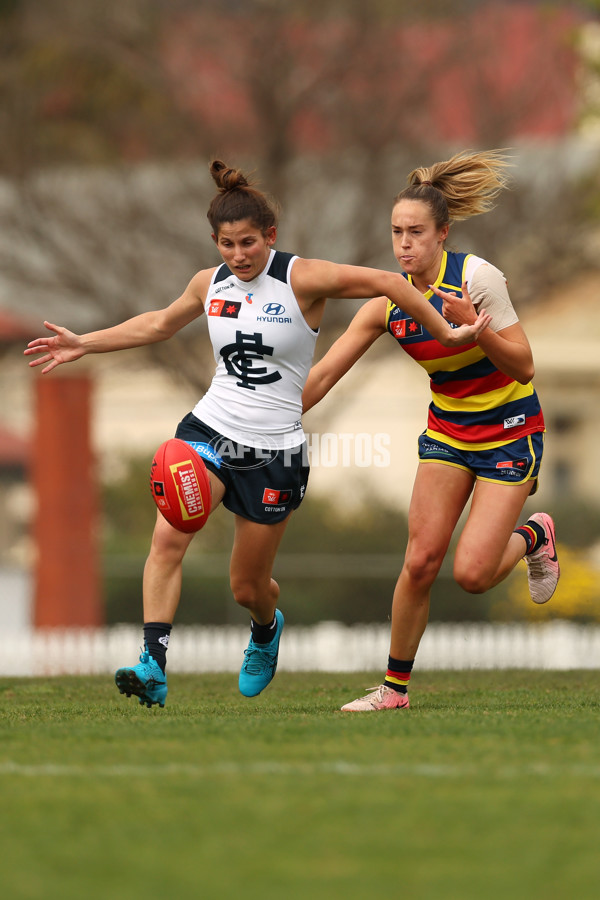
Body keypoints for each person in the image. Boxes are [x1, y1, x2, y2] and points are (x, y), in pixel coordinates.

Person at [24, 159, 489, 708]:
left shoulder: (303, 278)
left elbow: (390, 283)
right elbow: (156, 323)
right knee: (168, 538)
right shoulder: (209, 283)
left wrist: (450, 333)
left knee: (247, 586)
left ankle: (266, 629)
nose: (238, 255)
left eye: (248, 243)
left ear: (269, 236)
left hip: (274, 452)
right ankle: (153, 662)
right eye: (226, 243)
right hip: (210, 430)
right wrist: (85, 342)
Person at [302, 149, 560, 712]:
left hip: (511, 430)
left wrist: (476, 327)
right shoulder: (389, 302)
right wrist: (264, 415)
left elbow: (524, 366)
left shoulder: (478, 278)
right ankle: (393, 692)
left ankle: (535, 536)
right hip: (447, 434)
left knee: (470, 575)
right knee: (420, 561)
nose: (404, 244)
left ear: (443, 234)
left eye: (416, 232)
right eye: (397, 232)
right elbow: (320, 377)